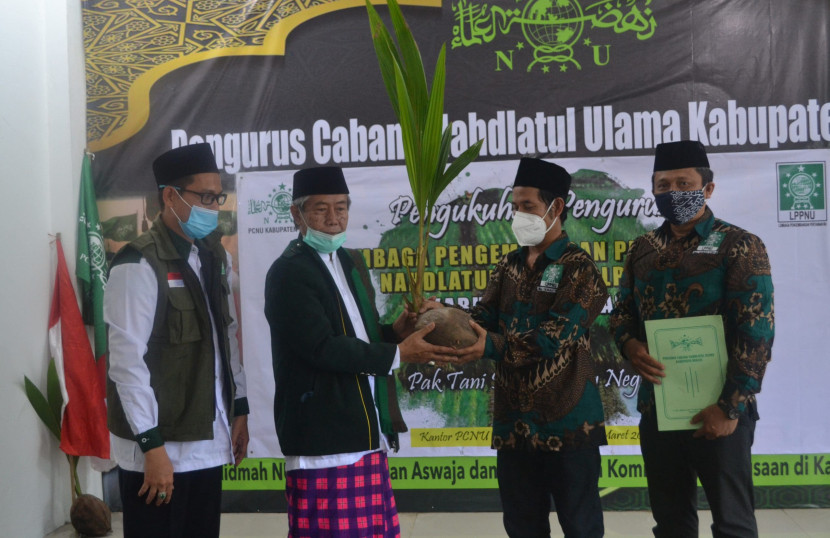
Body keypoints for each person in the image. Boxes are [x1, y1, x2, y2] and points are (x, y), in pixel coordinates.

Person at [264, 166, 461, 538]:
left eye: (341, 207)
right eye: (321, 209)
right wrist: (398, 354)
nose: (334, 219)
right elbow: (321, 347)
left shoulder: (349, 261)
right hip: (325, 440)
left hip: (364, 433)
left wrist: (396, 331)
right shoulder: (289, 273)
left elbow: (359, 336)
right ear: (296, 214)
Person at [610, 140, 775, 538]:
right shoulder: (642, 250)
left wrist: (730, 407)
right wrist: (630, 345)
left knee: (733, 524)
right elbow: (622, 313)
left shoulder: (740, 245)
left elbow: (756, 332)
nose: (673, 192)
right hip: (659, 408)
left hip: (720, 407)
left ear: (708, 188)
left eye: (683, 183)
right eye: (663, 185)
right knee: (671, 523)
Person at [455, 157, 609, 538]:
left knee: (581, 528)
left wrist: (489, 345)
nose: (518, 215)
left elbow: (554, 337)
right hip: (514, 428)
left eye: (528, 206)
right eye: (515, 206)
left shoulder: (580, 269)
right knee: (523, 528)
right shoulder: (507, 266)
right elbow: (481, 319)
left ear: (556, 208)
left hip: (569, 429)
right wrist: (442, 318)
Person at [105, 143, 249, 537]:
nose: (214, 207)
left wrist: (239, 409)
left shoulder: (214, 257)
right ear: (171, 196)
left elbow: (227, 337)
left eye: (217, 197)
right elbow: (126, 363)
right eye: (205, 197)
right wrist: (151, 446)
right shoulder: (138, 263)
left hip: (207, 441)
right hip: (159, 449)